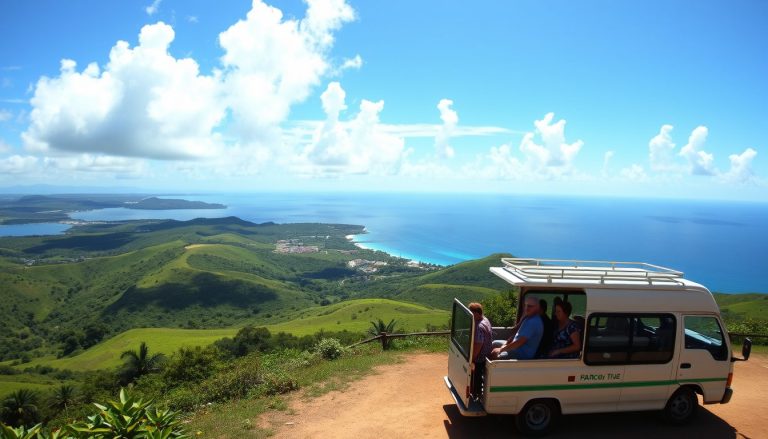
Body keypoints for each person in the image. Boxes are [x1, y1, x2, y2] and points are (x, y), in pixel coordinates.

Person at [490, 295, 543, 360]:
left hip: (522, 353)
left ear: (537, 307)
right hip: (516, 348)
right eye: (526, 305)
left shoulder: (534, 322)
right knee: (494, 343)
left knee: (496, 355)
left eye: (530, 306)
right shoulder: (528, 318)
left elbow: (519, 342)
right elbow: (517, 336)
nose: (527, 308)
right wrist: (506, 343)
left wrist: (501, 349)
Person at [469, 302, 492, 398]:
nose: (470, 316)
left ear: (477, 313)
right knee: (478, 375)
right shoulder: (485, 319)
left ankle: (475, 394)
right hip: (487, 352)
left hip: (480, 356)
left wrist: (472, 358)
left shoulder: (479, 326)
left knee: (475, 376)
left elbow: (479, 344)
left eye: (471, 313)